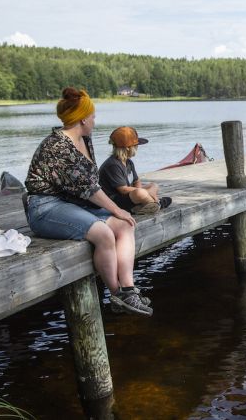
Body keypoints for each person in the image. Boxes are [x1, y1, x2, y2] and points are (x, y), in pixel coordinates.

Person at [24, 87, 152, 316]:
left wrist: (120, 214)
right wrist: (116, 209)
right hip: (45, 207)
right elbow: (89, 189)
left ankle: (129, 289)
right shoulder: (58, 147)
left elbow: (89, 185)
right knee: (103, 233)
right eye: (92, 115)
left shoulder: (84, 139)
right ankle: (117, 294)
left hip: (74, 205)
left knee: (125, 225)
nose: (95, 119)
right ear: (83, 119)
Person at [99, 126, 173, 215]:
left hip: (128, 196)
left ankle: (142, 206)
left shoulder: (128, 162)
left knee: (154, 185)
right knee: (140, 193)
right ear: (127, 148)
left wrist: (144, 192)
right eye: (136, 145)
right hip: (114, 200)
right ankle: (157, 204)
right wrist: (143, 193)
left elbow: (136, 181)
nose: (137, 147)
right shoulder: (113, 165)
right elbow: (123, 190)